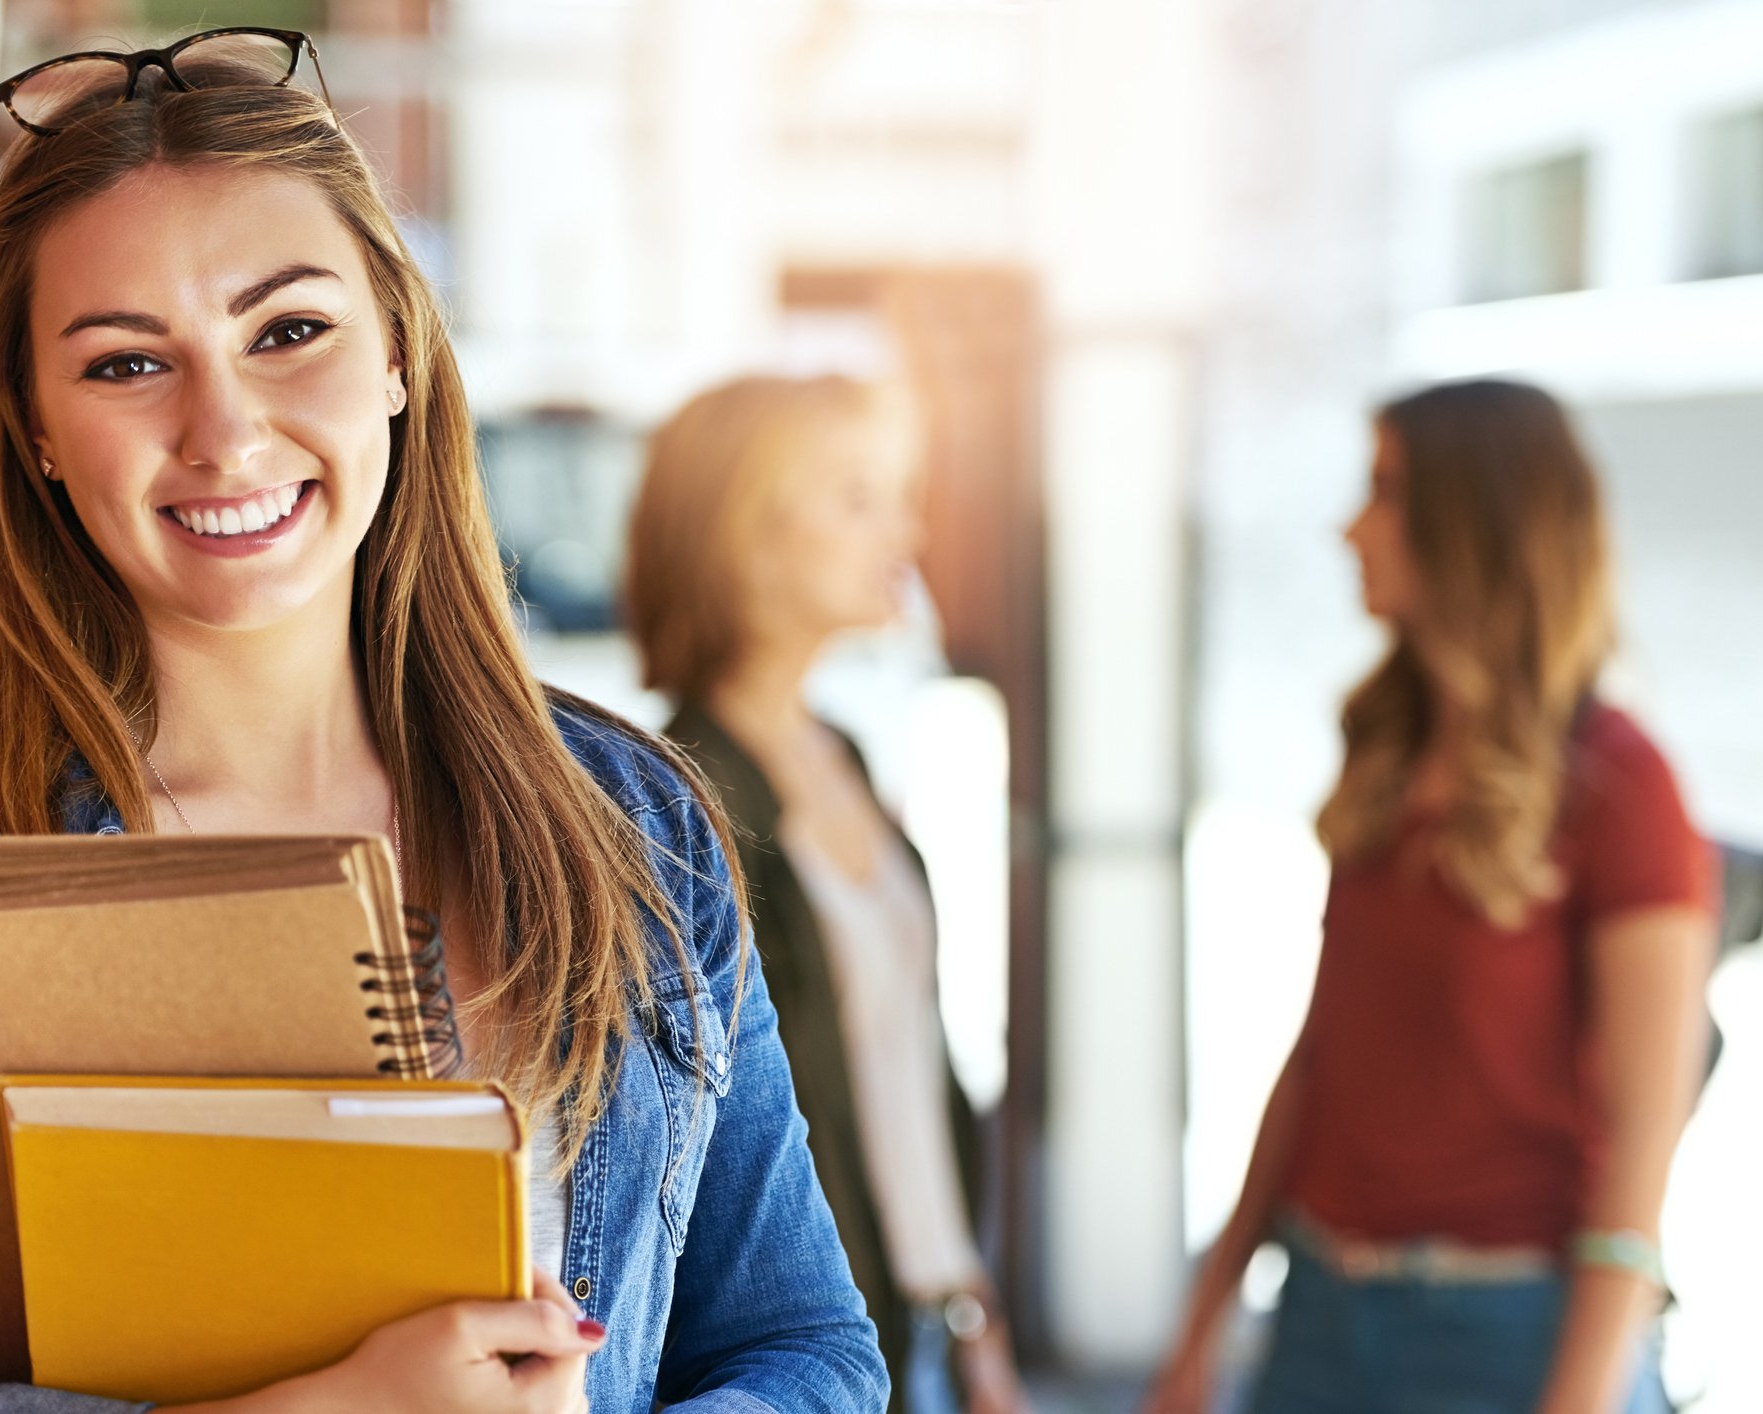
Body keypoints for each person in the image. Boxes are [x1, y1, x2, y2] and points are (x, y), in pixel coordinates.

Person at [0, 31, 887, 1414]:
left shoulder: (633, 825)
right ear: (33, 428)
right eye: (126, 365)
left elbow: (806, 1351)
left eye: (288, 331)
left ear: (393, 350)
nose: (225, 432)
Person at [1145, 380, 1719, 1414]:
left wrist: (1579, 1398)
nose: (1349, 526)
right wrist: (1203, 1321)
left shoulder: (1623, 784)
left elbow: (1645, 1132)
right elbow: (1323, 1054)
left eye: (1384, 490)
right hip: (1319, 1315)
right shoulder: (1388, 750)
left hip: (1509, 1337)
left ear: (1475, 520)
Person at [624, 375, 1030, 1414]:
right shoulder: (680, 797)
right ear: (744, 533)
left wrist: (973, 1313)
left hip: (920, 1326)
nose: (904, 526)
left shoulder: (839, 750)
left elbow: (906, 1073)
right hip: (800, 1356)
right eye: (856, 497)